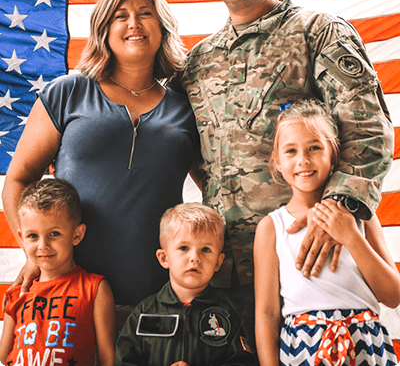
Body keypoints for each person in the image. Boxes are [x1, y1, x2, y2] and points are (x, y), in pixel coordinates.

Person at [179, 0, 394, 344]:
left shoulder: (317, 33)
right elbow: (190, 153)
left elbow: (368, 131)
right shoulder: (199, 62)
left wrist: (335, 215)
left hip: (308, 259)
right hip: (225, 270)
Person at [2, 0, 200, 330]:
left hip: (158, 301)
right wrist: (35, 254)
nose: (134, 24)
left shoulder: (186, 108)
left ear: (163, 26)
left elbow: (215, 186)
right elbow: (18, 179)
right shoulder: (69, 92)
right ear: (103, 29)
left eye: (145, 13)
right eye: (120, 15)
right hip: (71, 297)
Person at [254, 99, 399, 366]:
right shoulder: (271, 227)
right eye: (291, 151)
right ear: (276, 161)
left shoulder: (361, 216)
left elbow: (393, 295)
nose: (303, 160)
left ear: (333, 153)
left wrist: (351, 236)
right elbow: (266, 313)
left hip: (366, 344)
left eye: (314, 148)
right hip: (302, 348)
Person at [115, 202, 254, 366]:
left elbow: (243, 363)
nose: (194, 257)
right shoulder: (144, 313)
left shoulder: (229, 314)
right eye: (184, 248)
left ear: (218, 262)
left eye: (206, 249)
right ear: (164, 258)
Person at [0, 178, 116, 366]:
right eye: (33, 236)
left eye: (54, 234)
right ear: (22, 238)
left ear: (77, 234)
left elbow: (108, 360)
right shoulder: (16, 293)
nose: (42, 245)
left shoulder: (94, 289)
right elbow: (3, 359)